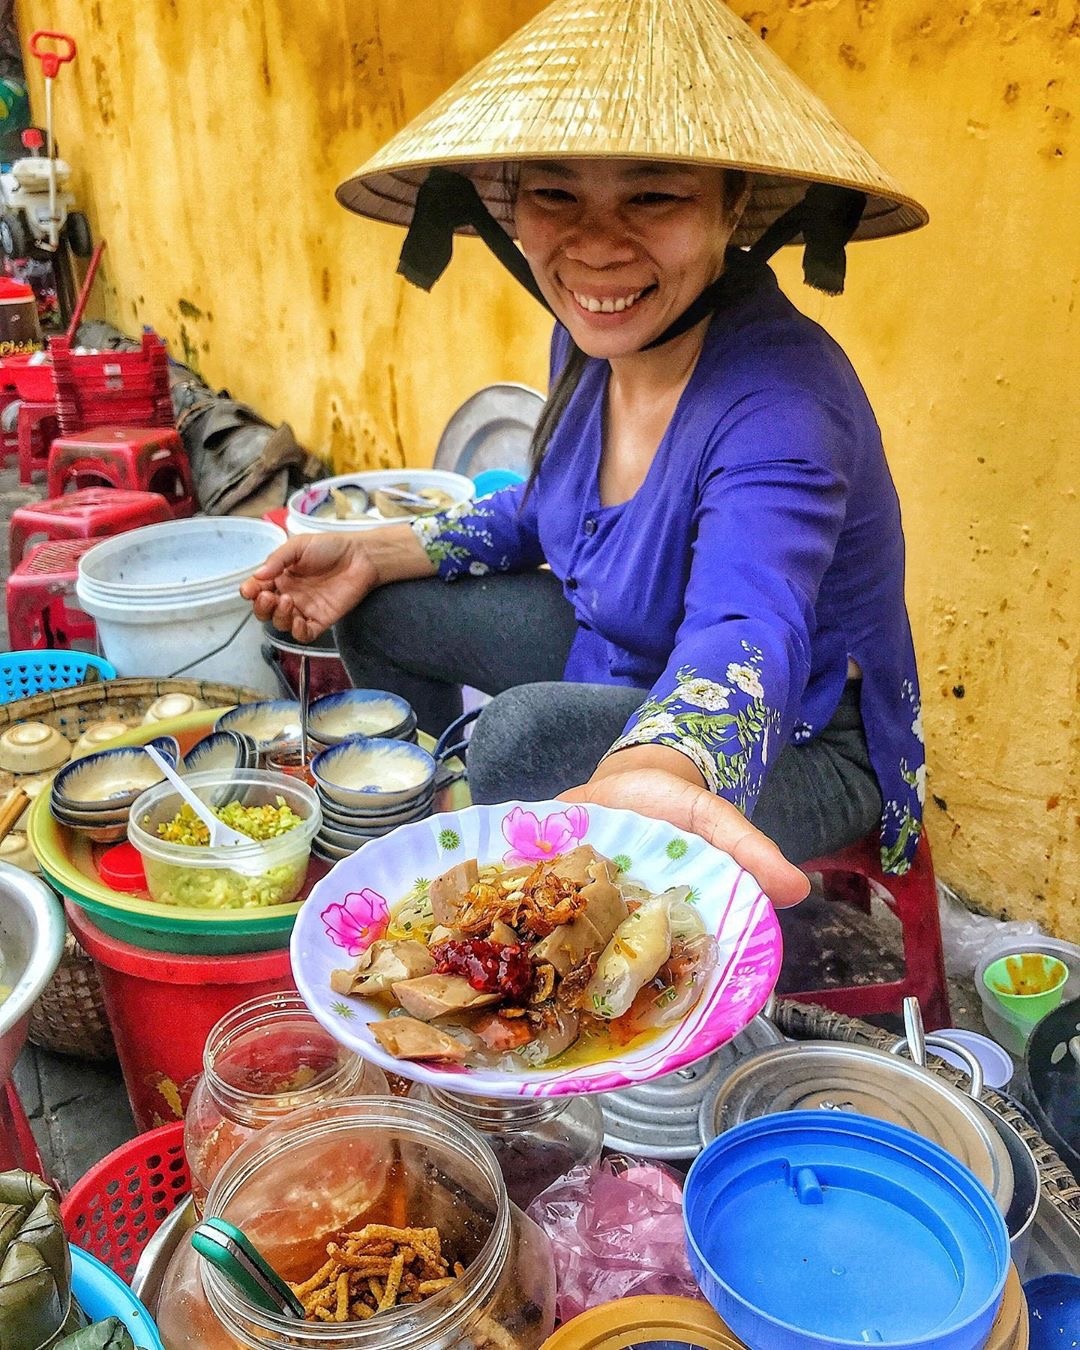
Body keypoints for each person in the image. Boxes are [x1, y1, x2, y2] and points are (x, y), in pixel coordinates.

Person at [242, 0, 931, 911]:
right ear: (512, 207)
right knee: (374, 610)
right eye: (556, 195)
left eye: (654, 194)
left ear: (731, 210)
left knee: (520, 738)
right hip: (621, 652)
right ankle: (445, 857)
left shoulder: (782, 403)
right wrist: (376, 550)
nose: (598, 247)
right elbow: (545, 509)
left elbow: (749, 621)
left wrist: (661, 762)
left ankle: (527, 923)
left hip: (801, 735)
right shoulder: (593, 338)